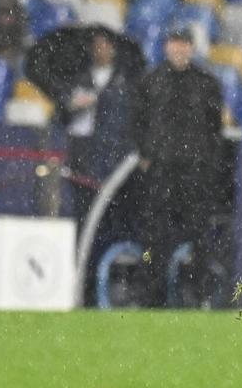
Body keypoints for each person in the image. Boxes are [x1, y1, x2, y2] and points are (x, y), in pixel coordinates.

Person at [131, 28, 226, 307]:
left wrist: (206, 162)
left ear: (191, 48)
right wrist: (146, 155)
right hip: (160, 170)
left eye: (184, 44)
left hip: (194, 171)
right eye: (174, 43)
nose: (179, 49)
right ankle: (151, 292)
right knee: (152, 238)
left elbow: (214, 128)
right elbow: (136, 123)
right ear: (166, 47)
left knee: (200, 236)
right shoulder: (150, 81)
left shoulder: (206, 83)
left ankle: (198, 292)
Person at [57, 29, 134, 222]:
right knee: (81, 197)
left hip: (109, 144)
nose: (100, 50)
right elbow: (63, 108)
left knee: (108, 200)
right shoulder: (80, 76)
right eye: (97, 45)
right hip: (81, 143)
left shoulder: (123, 79)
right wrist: (74, 105)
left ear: (113, 49)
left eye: (105, 45)